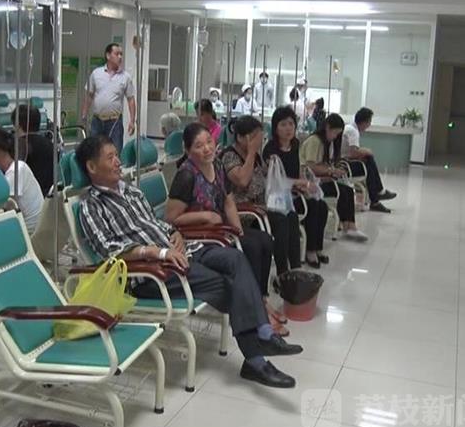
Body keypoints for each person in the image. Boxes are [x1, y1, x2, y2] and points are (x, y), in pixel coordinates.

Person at [76, 135, 303, 389]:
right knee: (229, 284)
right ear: (92, 167)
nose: (118, 162)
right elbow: (109, 251)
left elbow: (155, 223)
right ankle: (257, 358)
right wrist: (158, 253)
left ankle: (264, 333)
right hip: (153, 272)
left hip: (183, 250)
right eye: (110, 158)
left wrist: (174, 233)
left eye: (117, 155)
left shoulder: (132, 191)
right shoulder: (91, 206)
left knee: (236, 258)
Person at [166, 123, 285, 335]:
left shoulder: (218, 165)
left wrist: (238, 231)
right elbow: (171, 219)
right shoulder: (186, 175)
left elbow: (229, 202)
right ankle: (257, 310)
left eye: (209, 142)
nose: (207, 149)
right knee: (251, 248)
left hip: (219, 229)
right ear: (188, 150)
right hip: (198, 237)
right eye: (199, 146)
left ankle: (261, 300)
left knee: (264, 240)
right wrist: (204, 216)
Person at [221, 116, 307, 334]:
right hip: (244, 214)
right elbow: (242, 181)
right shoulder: (229, 156)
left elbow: (267, 179)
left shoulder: (258, 156)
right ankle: (272, 288)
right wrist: (251, 153)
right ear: (242, 138)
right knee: (271, 230)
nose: (261, 141)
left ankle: (287, 276)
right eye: (256, 137)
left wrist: (277, 170)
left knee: (289, 217)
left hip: (260, 208)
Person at [263, 107, 330, 268]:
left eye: (291, 124)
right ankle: (308, 253)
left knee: (321, 205)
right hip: (278, 198)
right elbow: (276, 180)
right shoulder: (270, 150)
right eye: (283, 124)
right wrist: (301, 184)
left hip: (294, 193)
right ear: (275, 128)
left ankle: (316, 248)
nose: (288, 128)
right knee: (311, 207)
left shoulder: (295, 145)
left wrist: (305, 185)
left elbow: (298, 171)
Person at [300, 113, 368, 242]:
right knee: (343, 191)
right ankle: (349, 226)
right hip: (310, 182)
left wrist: (334, 171)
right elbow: (310, 167)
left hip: (320, 179)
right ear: (327, 127)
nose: (336, 136)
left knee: (347, 190)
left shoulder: (326, 143)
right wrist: (331, 171)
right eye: (335, 133)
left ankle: (349, 225)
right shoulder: (314, 141)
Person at [0, 124, 43, 234]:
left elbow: (1, 212)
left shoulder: (15, 171)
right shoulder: (17, 167)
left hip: (30, 235)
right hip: (32, 230)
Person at [81, 43, 136, 154]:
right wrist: (84, 114)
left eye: (121, 54)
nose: (120, 57)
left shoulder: (125, 77)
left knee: (115, 153)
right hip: (97, 121)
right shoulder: (96, 74)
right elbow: (89, 95)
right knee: (94, 152)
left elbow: (131, 99)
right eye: (117, 54)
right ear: (108, 55)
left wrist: (132, 121)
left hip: (114, 122)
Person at [342, 107, 397, 213]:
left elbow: (350, 152)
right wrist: (367, 151)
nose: (369, 125)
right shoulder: (353, 131)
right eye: (369, 122)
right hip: (345, 166)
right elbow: (353, 153)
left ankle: (377, 196)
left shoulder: (349, 127)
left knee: (368, 161)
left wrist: (364, 152)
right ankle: (377, 195)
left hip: (344, 162)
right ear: (364, 122)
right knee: (369, 160)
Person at [13, 104, 54, 196]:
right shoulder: (50, 144)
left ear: (17, 125)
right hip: (49, 195)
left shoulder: (18, 147)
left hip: (28, 196)